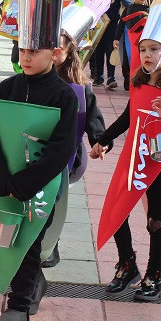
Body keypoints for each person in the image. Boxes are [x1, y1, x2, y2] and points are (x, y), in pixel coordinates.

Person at [0, 0, 78, 321]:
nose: (25, 57)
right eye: (22, 50)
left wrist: (26, 183)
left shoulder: (63, 96)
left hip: (40, 189)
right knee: (8, 243)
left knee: (31, 241)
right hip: (5, 185)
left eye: (34, 51)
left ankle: (17, 311)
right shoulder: (6, 89)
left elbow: (61, 148)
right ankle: (31, 285)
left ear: (53, 53)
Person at [92, 0, 161, 302]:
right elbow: (128, 117)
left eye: (154, 49)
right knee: (118, 211)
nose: (147, 55)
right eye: (143, 48)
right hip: (133, 158)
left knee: (156, 221)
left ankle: (155, 274)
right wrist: (103, 139)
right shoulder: (137, 79)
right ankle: (127, 265)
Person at [42, 28, 110, 267]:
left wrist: (100, 140)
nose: (52, 52)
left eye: (57, 47)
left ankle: (51, 244)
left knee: (55, 200)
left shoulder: (80, 86)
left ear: (69, 49)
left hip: (68, 156)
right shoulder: (33, 81)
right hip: (35, 151)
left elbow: (92, 118)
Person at [90, 0, 132, 89]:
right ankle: (99, 77)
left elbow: (126, 2)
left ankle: (111, 78)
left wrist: (134, 7)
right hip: (99, 23)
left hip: (113, 24)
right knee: (98, 50)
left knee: (110, 50)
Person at [114, 0, 152, 91]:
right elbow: (121, 24)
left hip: (143, 41)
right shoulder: (128, 9)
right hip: (129, 40)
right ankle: (128, 82)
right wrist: (116, 38)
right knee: (126, 62)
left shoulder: (150, 10)